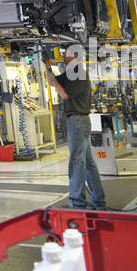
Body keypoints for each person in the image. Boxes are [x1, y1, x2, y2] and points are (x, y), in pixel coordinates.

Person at [46, 47, 106, 211]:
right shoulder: (71, 72)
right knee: (88, 163)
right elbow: (54, 82)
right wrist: (47, 66)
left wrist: (55, 82)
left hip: (78, 121)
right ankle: (99, 201)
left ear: (77, 56)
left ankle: (77, 203)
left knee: (77, 162)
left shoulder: (79, 73)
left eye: (67, 53)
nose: (64, 55)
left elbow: (64, 94)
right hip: (77, 121)